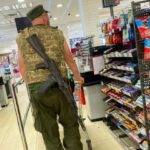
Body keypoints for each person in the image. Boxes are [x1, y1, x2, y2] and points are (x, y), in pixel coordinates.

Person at [16, 5, 84, 150]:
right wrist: (78, 77)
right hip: (61, 88)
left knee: (49, 132)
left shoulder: (22, 37)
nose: (48, 18)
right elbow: (70, 60)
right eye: (47, 15)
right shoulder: (57, 33)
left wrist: (33, 86)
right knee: (71, 125)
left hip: (38, 90)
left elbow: (22, 67)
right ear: (43, 16)